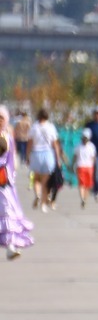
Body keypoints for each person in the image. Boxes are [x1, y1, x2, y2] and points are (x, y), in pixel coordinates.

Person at [0, 106, 35, 260]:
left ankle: (11, 246)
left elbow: (11, 160)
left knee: (8, 212)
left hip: (3, 181)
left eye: (2, 118)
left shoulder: (8, 137)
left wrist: (11, 178)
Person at [26, 109, 62, 211]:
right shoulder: (51, 127)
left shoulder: (34, 127)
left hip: (36, 154)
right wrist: (58, 159)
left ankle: (37, 194)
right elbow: (55, 144)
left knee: (36, 179)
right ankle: (43, 204)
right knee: (45, 182)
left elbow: (29, 144)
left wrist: (28, 156)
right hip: (48, 154)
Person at [73, 128, 97, 208]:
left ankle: (82, 198)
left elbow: (75, 157)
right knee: (87, 185)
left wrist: (73, 164)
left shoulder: (78, 146)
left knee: (82, 184)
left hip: (81, 167)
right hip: (89, 167)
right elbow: (93, 158)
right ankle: (84, 199)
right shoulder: (92, 146)